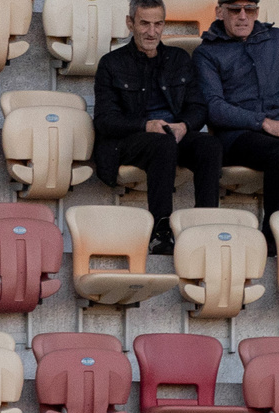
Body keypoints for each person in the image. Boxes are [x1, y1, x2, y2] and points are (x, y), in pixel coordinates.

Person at [91, 0, 224, 255]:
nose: (152, 32)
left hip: (172, 132)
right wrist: (146, 124)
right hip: (130, 138)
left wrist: (184, 126)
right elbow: (105, 120)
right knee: (161, 143)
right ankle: (161, 230)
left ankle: (206, 223)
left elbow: (198, 107)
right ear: (130, 23)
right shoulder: (111, 63)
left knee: (209, 144)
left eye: (158, 24)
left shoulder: (178, 59)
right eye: (144, 24)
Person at [194, 0, 279, 233]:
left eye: (250, 9)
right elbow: (214, 108)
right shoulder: (206, 52)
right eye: (235, 9)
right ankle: (272, 234)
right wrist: (264, 123)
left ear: (257, 12)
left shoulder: (276, 38)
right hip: (236, 135)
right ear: (220, 12)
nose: (243, 16)